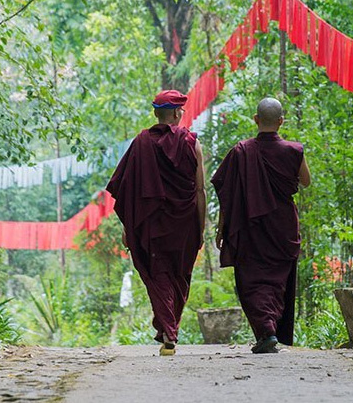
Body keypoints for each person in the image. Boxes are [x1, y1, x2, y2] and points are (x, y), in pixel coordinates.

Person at [106, 89, 208, 356]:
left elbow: (127, 191)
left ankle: (167, 329)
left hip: (151, 225)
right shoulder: (192, 143)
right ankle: (169, 329)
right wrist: (202, 225)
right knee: (179, 277)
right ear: (176, 113)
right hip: (185, 223)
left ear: (156, 114)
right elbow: (200, 190)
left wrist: (129, 228)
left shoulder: (141, 143)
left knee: (159, 274)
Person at [211, 97, 311, 354]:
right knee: (277, 280)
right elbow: (306, 182)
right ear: (281, 121)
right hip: (283, 226)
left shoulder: (240, 152)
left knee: (250, 280)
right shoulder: (294, 150)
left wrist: (221, 228)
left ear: (256, 120)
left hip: (249, 227)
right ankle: (270, 331)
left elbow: (227, 196)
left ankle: (266, 331)